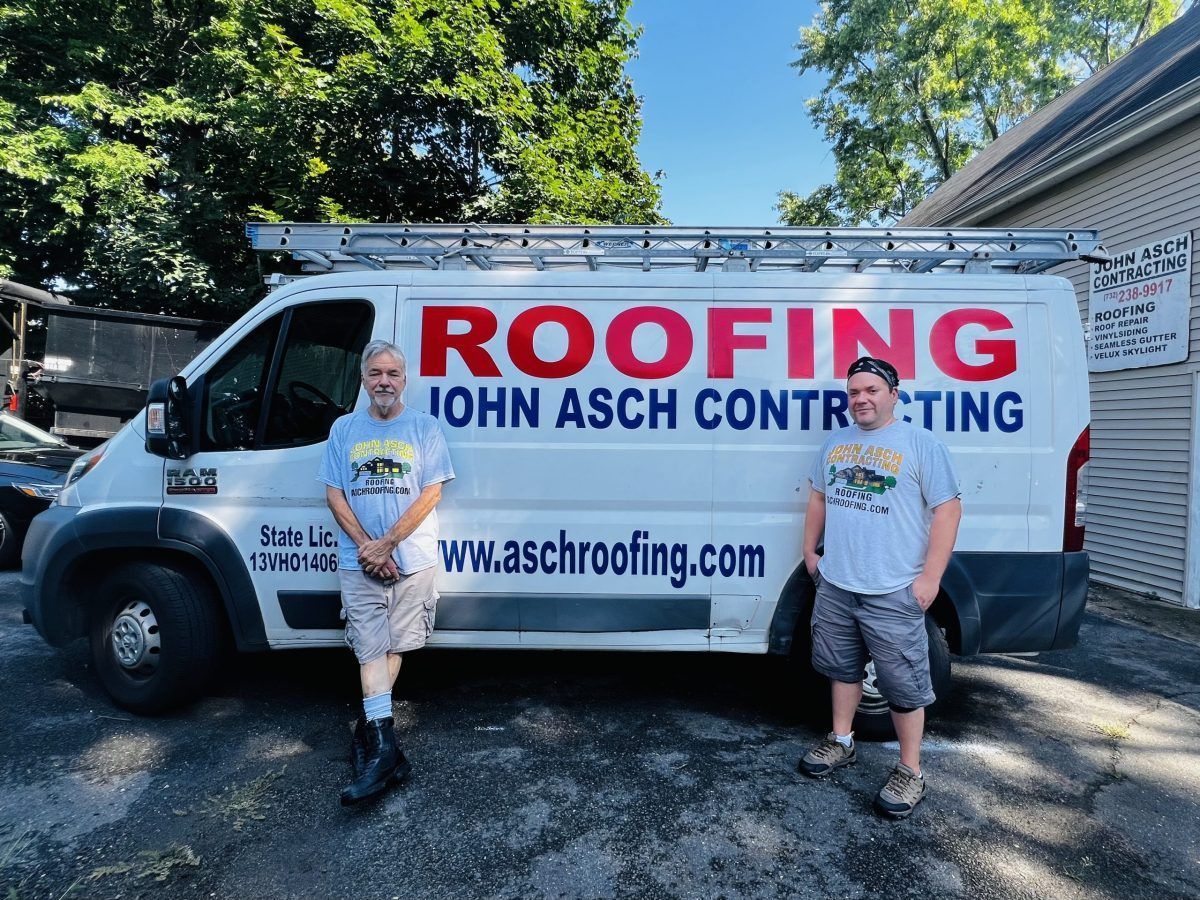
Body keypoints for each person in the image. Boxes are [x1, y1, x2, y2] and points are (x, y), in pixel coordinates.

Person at [797, 356, 961, 819]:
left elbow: (948, 510)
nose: (861, 399)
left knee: (903, 684)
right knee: (841, 668)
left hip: (893, 587)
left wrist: (929, 579)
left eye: (871, 390)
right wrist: (811, 553)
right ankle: (842, 741)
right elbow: (818, 496)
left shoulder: (920, 444)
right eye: (853, 392)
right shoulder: (837, 443)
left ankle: (910, 770)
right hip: (837, 583)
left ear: (894, 393)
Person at [316, 339, 454, 806]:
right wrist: (367, 549)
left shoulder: (424, 428)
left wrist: (388, 543)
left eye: (392, 374)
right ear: (363, 379)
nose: (384, 382)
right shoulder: (344, 429)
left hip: (411, 557)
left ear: (404, 379)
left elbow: (431, 493)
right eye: (376, 374)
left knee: (394, 646)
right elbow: (335, 494)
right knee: (370, 646)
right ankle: (385, 752)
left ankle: (372, 736)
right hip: (361, 561)